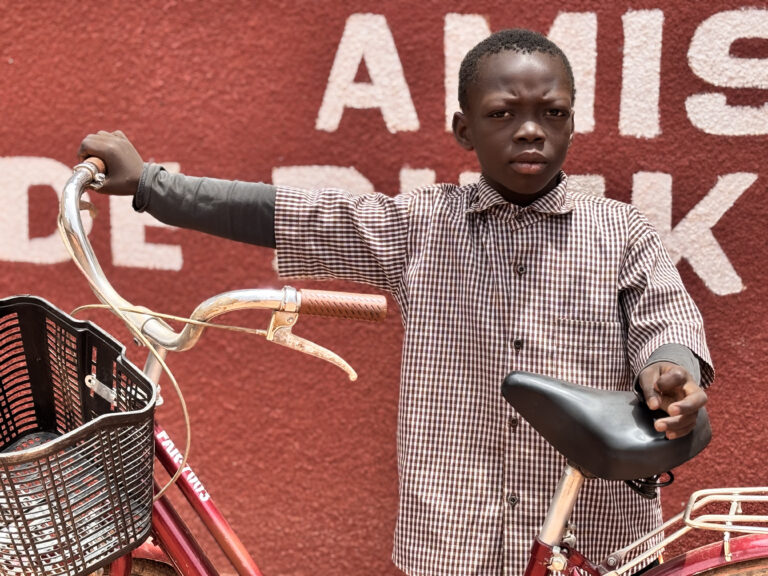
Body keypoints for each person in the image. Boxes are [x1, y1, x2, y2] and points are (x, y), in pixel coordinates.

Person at [79, 28, 712, 576]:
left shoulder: (623, 232)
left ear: (573, 121)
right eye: (501, 114)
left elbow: (666, 316)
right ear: (464, 129)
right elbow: (294, 216)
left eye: (552, 113)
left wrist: (671, 367)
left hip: (594, 521)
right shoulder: (421, 226)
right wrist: (153, 186)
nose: (529, 130)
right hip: (462, 524)